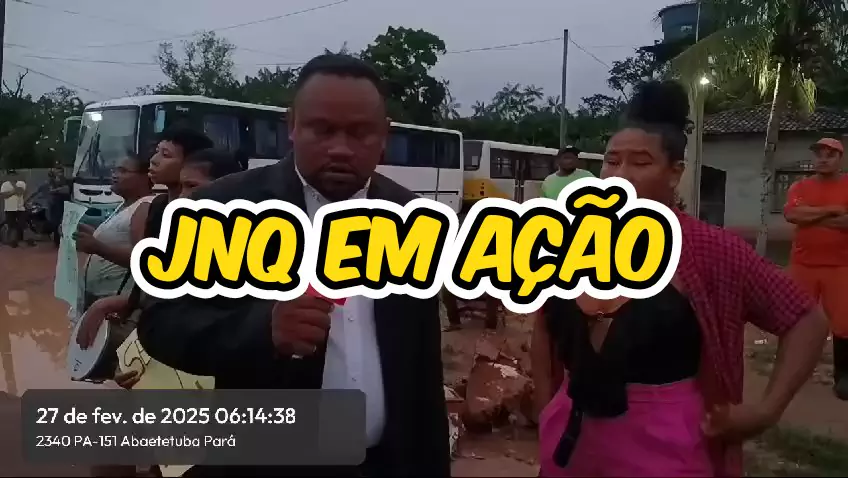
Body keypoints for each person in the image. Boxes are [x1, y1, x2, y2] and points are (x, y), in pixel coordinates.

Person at [134, 54, 450, 477]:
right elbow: (160, 322)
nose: (340, 148)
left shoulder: (412, 218)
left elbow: (423, 369)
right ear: (292, 126)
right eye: (322, 129)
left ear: (384, 135)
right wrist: (261, 329)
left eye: (360, 132)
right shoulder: (224, 208)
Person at [531, 80, 829, 477]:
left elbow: (807, 320)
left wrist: (766, 410)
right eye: (611, 161)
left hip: (666, 447)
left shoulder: (710, 249)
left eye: (640, 163)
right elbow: (544, 328)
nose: (619, 175)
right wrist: (547, 408)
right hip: (570, 444)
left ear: (675, 173)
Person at [783, 137, 848, 400]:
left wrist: (811, 216)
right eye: (819, 154)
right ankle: (790, 373)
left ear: (840, 158)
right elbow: (792, 215)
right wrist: (832, 210)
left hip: (841, 265)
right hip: (803, 264)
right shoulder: (800, 186)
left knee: (844, 322)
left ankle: (843, 376)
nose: (823, 158)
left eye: (830, 154)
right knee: (795, 318)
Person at [1, 170, 27, 247]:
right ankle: (12, 241)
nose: (12, 177)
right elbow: (4, 195)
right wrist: (14, 191)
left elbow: (20, 192)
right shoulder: (5, 184)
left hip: (20, 208)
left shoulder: (21, 183)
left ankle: (19, 240)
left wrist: (13, 186)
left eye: (13, 175)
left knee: (21, 224)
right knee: (11, 225)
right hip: (9, 208)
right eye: (10, 175)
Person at [47, 164, 71, 246]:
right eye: (57, 171)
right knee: (56, 222)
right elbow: (50, 190)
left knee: (65, 221)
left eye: (60, 171)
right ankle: (57, 240)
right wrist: (60, 189)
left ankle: (65, 239)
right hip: (55, 203)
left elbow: (67, 190)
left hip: (64, 202)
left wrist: (56, 190)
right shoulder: (52, 181)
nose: (58, 173)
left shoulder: (65, 180)